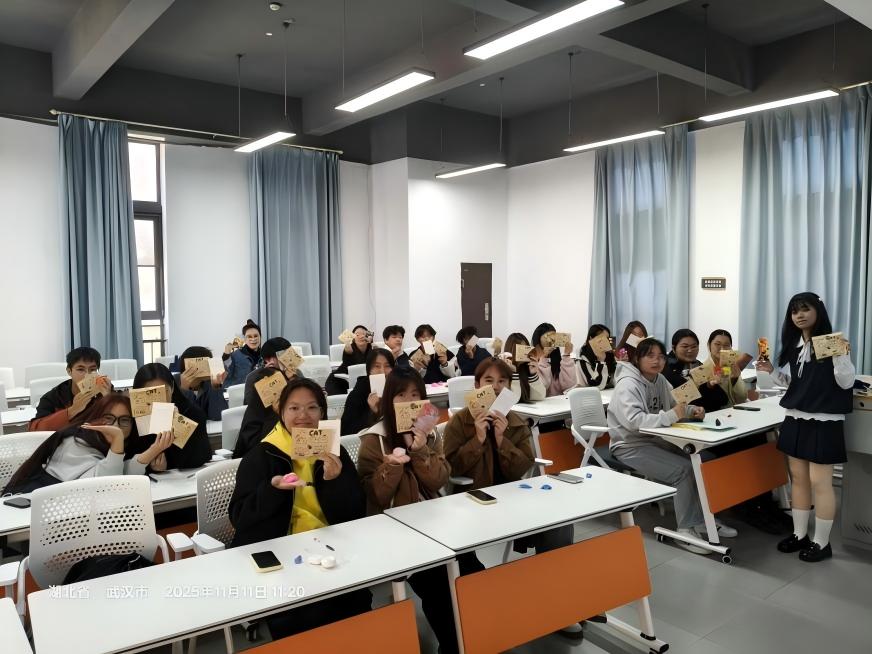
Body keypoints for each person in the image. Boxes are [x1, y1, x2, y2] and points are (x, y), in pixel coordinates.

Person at [442, 358, 584, 640]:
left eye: (502, 382)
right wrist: (477, 439)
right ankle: (476, 607)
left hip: (513, 498)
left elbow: (522, 466)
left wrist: (501, 438)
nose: (495, 388)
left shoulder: (515, 420)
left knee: (558, 524)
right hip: (472, 502)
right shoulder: (459, 422)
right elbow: (450, 469)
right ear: (476, 385)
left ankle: (558, 603)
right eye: (488, 381)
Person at [228, 378, 370, 637]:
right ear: (281, 412)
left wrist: (335, 481)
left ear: (322, 412)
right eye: (294, 408)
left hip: (330, 547)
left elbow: (355, 512)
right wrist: (272, 490)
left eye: (312, 407)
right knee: (308, 613)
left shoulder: (333, 451)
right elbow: (239, 517)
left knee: (357, 602)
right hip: (281, 553)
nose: (303, 416)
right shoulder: (263, 454)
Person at [357, 368, 465, 653]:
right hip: (396, 530)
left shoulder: (430, 432)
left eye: (415, 395)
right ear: (388, 400)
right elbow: (376, 496)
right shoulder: (374, 439)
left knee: (471, 570)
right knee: (440, 585)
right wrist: (392, 466)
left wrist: (419, 450)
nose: (409, 402)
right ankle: (454, 646)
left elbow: (439, 480)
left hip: (435, 521)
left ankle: (480, 635)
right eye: (401, 395)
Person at [607, 337, 738, 554]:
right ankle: (685, 528)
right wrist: (672, 415)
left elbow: (676, 405)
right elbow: (634, 422)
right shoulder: (627, 385)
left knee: (705, 460)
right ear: (637, 359)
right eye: (650, 356)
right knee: (684, 470)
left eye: (660, 356)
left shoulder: (659, 379)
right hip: (629, 445)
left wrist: (691, 411)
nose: (657, 361)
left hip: (656, 439)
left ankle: (703, 520)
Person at [757, 293, 854, 562]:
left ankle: (822, 543)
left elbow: (846, 382)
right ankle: (800, 534)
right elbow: (796, 384)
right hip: (795, 416)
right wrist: (771, 371)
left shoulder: (833, 342)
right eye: (794, 311)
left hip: (824, 420)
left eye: (805, 309)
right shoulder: (795, 346)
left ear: (818, 311)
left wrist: (841, 355)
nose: (799, 315)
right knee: (798, 479)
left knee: (820, 482)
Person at [5, 394, 173, 494]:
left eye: (124, 420)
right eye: (108, 418)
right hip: (35, 512)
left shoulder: (101, 442)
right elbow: (106, 487)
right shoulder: (75, 442)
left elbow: (120, 473)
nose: (116, 426)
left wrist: (154, 450)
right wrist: (117, 440)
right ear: (96, 418)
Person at [233, 337, 305, 459]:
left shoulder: (296, 374)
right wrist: (271, 379)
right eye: (284, 356)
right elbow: (254, 409)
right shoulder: (256, 377)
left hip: (293, 430)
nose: (290, 359)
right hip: (264, 432)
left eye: (290, 354)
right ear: (269, 360)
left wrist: (293, 379)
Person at [130, 363, 212, 469]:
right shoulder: (132, 418)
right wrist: (150, 466)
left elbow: (202, 456)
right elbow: (127, 461)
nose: (158, 400)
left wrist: (178, 425)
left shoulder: (192, 412)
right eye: (149, 393)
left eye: (164, 391)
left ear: (172, 388)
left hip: (181, 476)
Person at [28, 347, 112, 432]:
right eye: (80, 369)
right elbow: (36, 430)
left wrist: (109, 400)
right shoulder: (53, 397)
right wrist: (72, 410)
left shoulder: (105, 389)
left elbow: (117, 424)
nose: (87, 374)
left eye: (92, 369)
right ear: (69, 371)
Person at [695, 330, 753, 412]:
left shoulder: (731, 367)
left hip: (736, 411)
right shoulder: (702, 369)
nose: (722, 349)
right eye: (717, 344)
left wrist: (735, 379)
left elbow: (742, 397)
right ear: (709, 345)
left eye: (726, 345)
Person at [341, 349, 395, 435]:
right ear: (369, 370)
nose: (382, 371)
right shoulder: (357, 394)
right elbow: (348, 430)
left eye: (387, 366)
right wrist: (373, 412)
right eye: (377, 366)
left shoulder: (397, 389)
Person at [177, 346, 228, 421]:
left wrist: (216, 387)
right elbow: (183, 420)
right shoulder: (174, 383)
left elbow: (217, 416)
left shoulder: (209, 383)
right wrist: (184, 390)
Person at [531, 322, 576, 396]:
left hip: (558, 401)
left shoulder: (557, 358)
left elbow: (569, 385)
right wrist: (544, 358)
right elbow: (542, 387)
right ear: (538, 339)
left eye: (553, 336)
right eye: (547, 336)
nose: (550, 340)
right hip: (540, 401)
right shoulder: (532, 360)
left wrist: (567, 355)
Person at [325, 325, 372, 395]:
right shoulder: (350, 348)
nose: (361, 336)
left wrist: (371, 342)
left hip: (359, 383)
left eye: (364, 334)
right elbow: (348, 349)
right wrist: (347, 342)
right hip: (339, 381)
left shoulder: (372, 349)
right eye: (357, 334)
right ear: (353, 338)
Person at [501, 333, 546, 403]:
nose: (524, 353)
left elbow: (540, 396)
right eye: (520, 349)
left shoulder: (526, 368)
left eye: (526, 348)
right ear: (511, 350)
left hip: (525, 409)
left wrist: (533, 374)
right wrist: (514, 373)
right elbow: (512, 400)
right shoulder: (502, 369)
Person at [222, 319, 262, 389]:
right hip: (239, 394)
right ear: (245, 339)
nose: (253, 339)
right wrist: (226, 355)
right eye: (249, 336)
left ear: (260, 337)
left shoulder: (265, 355)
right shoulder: (235, 356)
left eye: (256, 336)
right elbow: (224, 377)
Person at [577, 324, 618, 390]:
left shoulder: (609, 355)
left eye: (607, 339)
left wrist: (620, 362)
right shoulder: (582, 359)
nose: (605, 342)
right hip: (589, 395)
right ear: (591, 338)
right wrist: (601, 361)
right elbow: (596, 386)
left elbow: (615, 381)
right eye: (601, 338)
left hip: (609, 394)